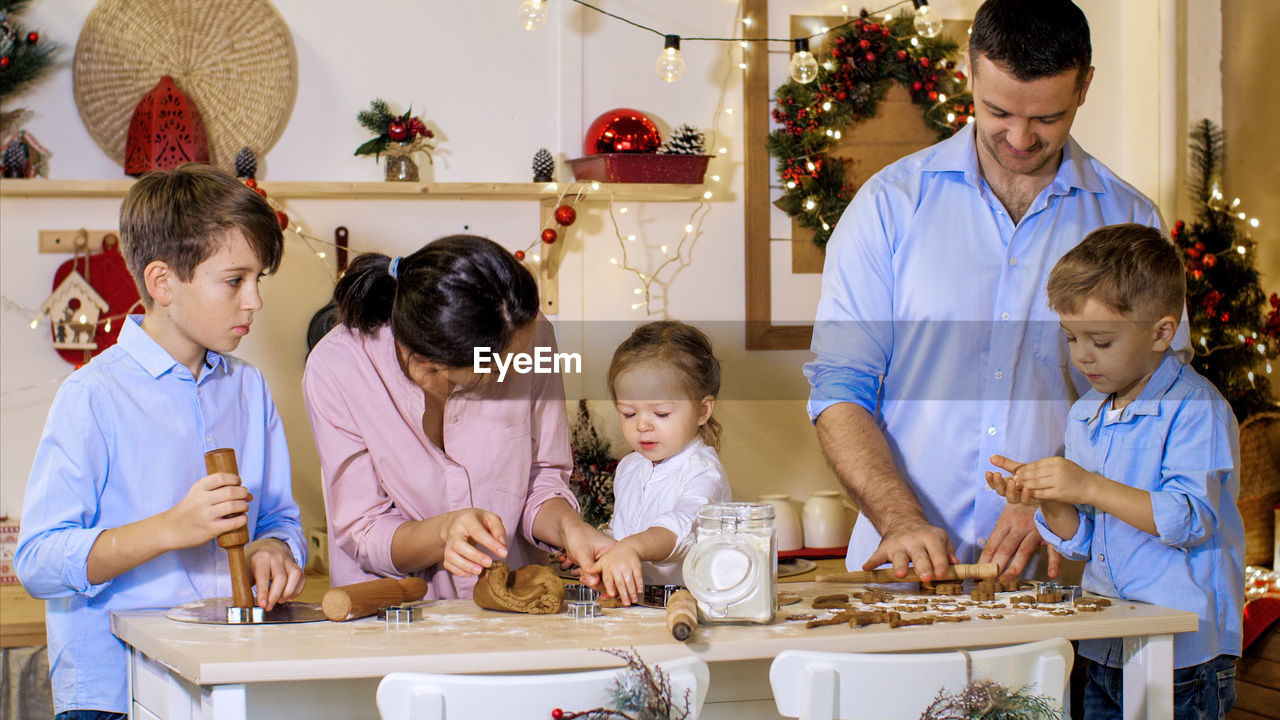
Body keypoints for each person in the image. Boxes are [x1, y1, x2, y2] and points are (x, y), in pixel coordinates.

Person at [803, 0, 1187, 582]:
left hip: (1063, 572)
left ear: (1084, 86)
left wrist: (1059, 491)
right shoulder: (888, 207)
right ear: (970, 72)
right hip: (903, 571)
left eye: (1048, 118)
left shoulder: (1130, 220)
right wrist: (900, 517)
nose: (1020, 136)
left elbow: (1158, 400)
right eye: (998, 110)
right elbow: (840, 389)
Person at [15, 164, 306, 719]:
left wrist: (275, 548)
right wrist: (171, 529)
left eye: (258, 280)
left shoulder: (248, 389)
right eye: (234, 280)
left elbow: (281, 519)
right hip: (112, 696)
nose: (254, 302)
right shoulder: (92, 395)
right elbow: (38, 561)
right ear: (162, 282)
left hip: (225, 676)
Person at [986, 223, 1242, 720]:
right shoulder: (1087, 413)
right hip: (1106, 638)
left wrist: (1088, 485)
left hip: (1182, 651)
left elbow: (1190, 520)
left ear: (1162, 332)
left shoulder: (1196, 411)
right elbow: (1083, 540)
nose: (1082, 355)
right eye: (1071, 338)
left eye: (1100, 341)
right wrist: (1047, 499)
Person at [302, 234, 614, 598]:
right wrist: (442, 533)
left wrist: (568, 528)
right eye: (503, 365)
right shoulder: (337, 367)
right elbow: (365, 529)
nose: (521, 367)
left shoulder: (530, 332)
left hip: (508, 607)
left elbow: (541, 478)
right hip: (389, 612)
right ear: (431, 364)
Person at [596, 321, 732, 605]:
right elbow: (622, 531)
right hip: (639, 606)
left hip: (692, 608)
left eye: (661, 413)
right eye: (629, 413)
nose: (643, 425)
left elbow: (676, 531)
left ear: (702, 411)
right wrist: (602, 552)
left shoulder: (703, 472)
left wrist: (631, 548)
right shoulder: (630, 467)